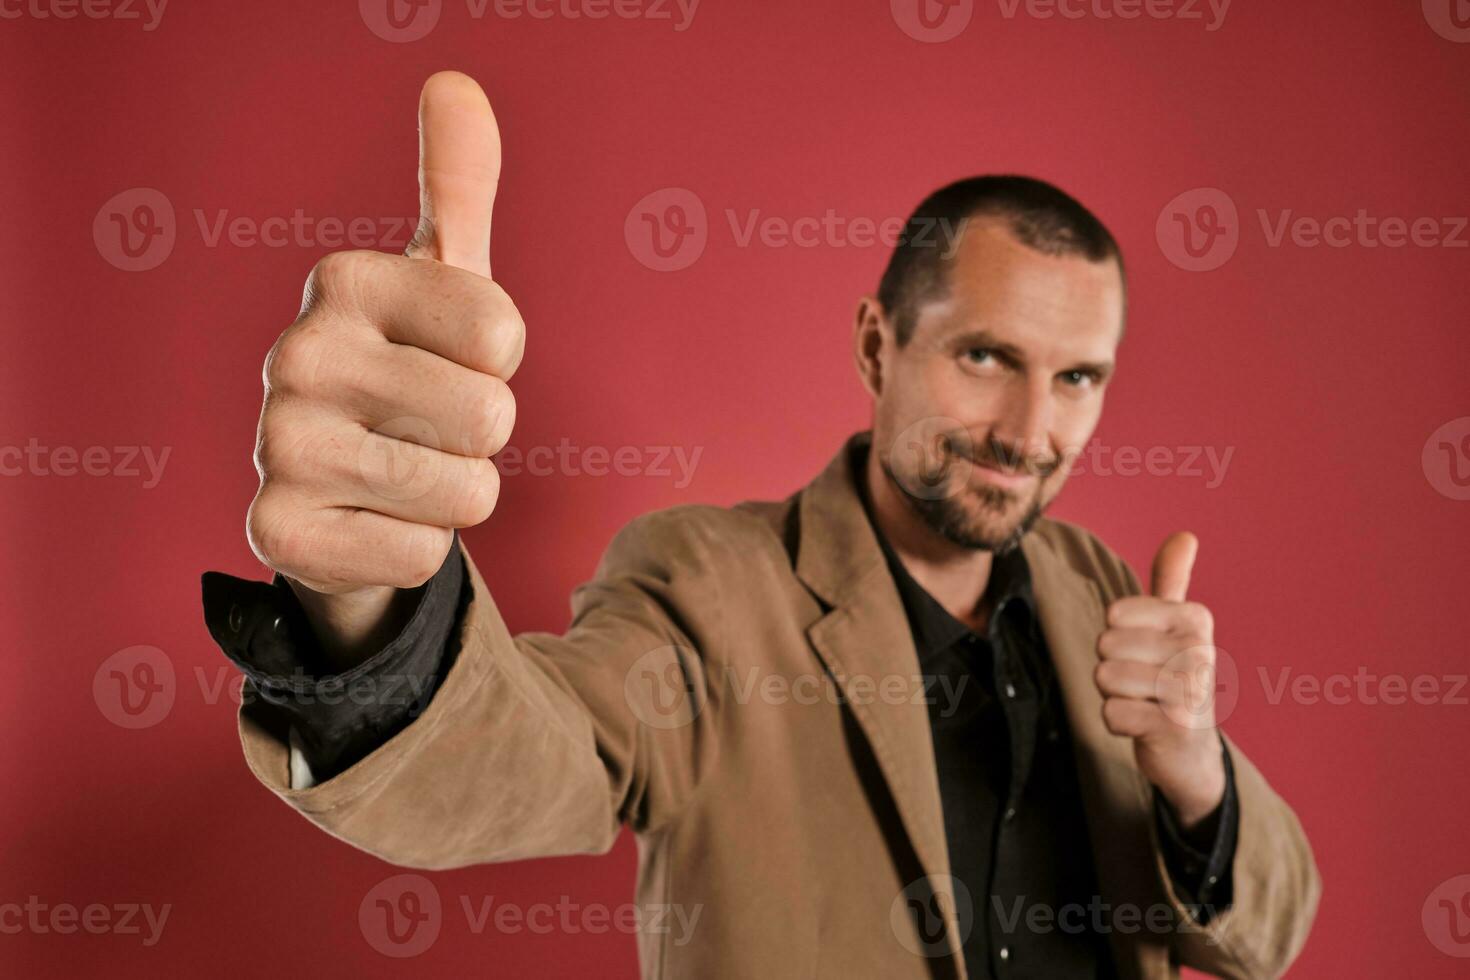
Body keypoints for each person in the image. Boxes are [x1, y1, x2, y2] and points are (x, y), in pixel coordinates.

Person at [202, 71, 1319, 979]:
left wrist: (1194, 765)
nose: (1031, 427)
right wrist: (371, 597)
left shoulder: (1107, 591)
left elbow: (1265, 933)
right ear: (881, 346)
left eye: (1078, 377)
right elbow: (530, 757)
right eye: (987, 356)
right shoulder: (708, 581)